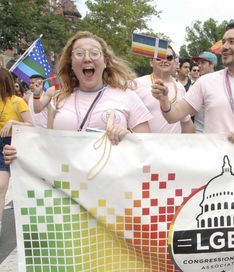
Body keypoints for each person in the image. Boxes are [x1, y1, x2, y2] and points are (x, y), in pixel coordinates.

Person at [3, 31, 152, 164]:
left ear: (105, 61)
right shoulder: (58, 99)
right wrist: (20, 153)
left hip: (111, 188)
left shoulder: (127, 96)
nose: (87, 59)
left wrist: (128, 136)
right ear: (71, 63)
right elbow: (47, 146)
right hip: (67, 188)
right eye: (79, 53)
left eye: (94, 53)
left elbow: (149, 147)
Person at [151, 23, 234, 142]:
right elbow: (173, 116)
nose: (224, 47)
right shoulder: (206, 82)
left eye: (232, 42)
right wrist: (164, 100)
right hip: (212, 162)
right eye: (223, 42)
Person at [0, 68, 33, 236]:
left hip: (12, 145)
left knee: (2, 186)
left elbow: (30, 125)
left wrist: (13, 122)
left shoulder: (17, 101)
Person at [135, 46, 194, 133]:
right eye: (159, 58)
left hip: (174, 145)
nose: (164, 61)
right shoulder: (136, 84)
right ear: (151, 62)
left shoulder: (180, 87)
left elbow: (186, 121)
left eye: (169, 58)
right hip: (146, 145)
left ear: (174, 61)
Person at [191, 51, 218, 133]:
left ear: (212, 65)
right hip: (199, 133)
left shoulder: (222, 84)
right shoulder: (197, 84)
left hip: (218, 134)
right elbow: (190, 111)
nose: (199, 66)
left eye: (203, 63)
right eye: (199, 63)